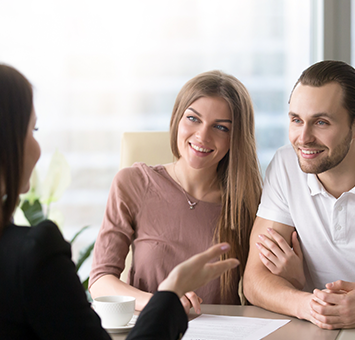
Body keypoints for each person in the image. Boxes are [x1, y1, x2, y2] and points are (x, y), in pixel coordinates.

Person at [0, 64, 240, 340]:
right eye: (31, 130)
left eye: (220, 127)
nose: (39, 149)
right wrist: (169, 293)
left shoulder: (249, 201)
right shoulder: (35, 254)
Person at [89, 70, 263, 312]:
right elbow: (100, 282)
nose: (202, 136)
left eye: (221, 127)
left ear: (236, 137)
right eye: (193, 119)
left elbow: (261, 288)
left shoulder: (249, 202)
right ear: (176, 119)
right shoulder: (133, 183)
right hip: (150, 333)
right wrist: (161, 304)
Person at [243, 60, 355, 330]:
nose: (303, 138)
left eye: (321, 122)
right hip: (312, 332)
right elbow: (254, 279)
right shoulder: (285, 164)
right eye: (296, 120)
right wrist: (309, 306)